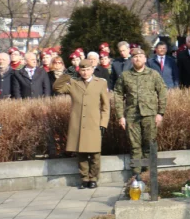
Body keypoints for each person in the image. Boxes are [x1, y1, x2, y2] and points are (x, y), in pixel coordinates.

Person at [54, 59, 110, 189]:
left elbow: (105, 107)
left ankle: (94, 178)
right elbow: (57, 87)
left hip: (94, 123)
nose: (85, 73)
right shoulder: (74, 83)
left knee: (95, 153)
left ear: (92, 69)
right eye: (82, 70)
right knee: (81, 153)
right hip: (78, 123)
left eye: (87, 70)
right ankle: (84, 178)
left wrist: (103, 123)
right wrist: (67, 74)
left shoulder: (100, 83)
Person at [114, 47, 167, 172]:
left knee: (150, 144)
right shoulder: (125, 76)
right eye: (135, 57)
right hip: (132, 115)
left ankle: (148, 173)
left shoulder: (153, 74)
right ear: (131, 59)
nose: (137, 59)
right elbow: (118, 94)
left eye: (140, 56)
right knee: (135, 146)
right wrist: (120, 116)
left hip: (150, 114)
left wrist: (160, 113)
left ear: (145, 58)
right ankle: (137, 175)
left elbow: (162, 92)